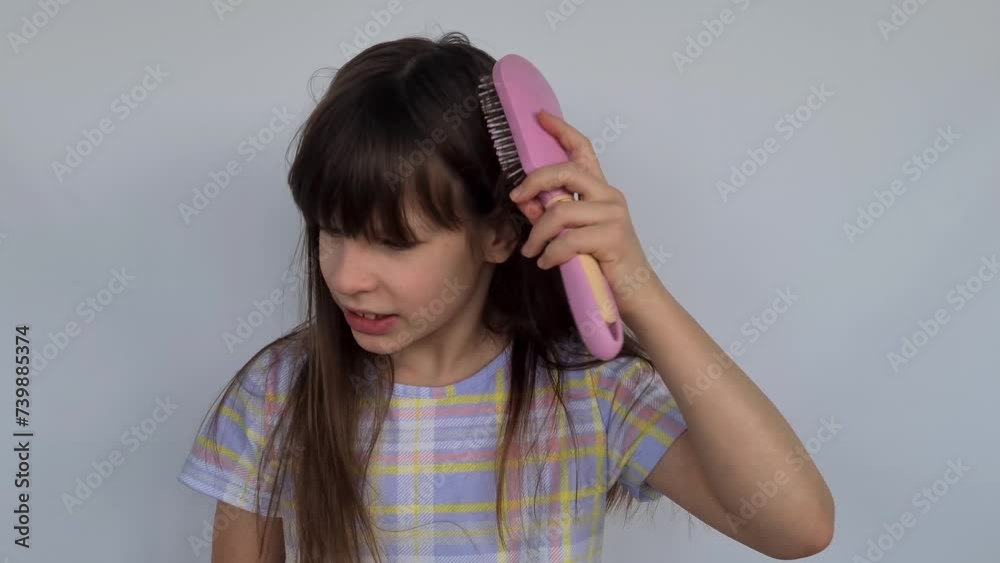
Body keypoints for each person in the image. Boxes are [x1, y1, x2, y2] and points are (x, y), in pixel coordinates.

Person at [176, 31, 834, 563]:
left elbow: (797, 527)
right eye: (331, 231)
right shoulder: (280, 391)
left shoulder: (590, 389)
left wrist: (635, 284)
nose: (346, 277)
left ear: (497, 234)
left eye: (394, 243)